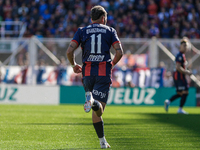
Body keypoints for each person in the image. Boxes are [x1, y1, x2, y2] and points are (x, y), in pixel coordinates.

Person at [66, 5, 123, 149]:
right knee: (99, 111)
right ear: (103, 18)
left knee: (94, 106)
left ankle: (103, 142)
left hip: (87, 74)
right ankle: (93, 103)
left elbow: (69, 51)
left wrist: (73, 65)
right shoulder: (110, 31)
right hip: (103, 74)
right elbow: (119, 52)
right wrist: (112, 64)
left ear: (92, 18)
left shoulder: (82, 31)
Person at [164, 38, 192, 114]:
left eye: (186, 45)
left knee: (180, 93)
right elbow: (178, 67)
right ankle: (180, 109)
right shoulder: (180, 55)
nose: (185, 47)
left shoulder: (181, 55)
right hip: (179, 76)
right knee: (185, 92)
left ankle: (168, 101)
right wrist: (187, 72)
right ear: (180, 46)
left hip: (178, 76)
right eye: (184, 45)